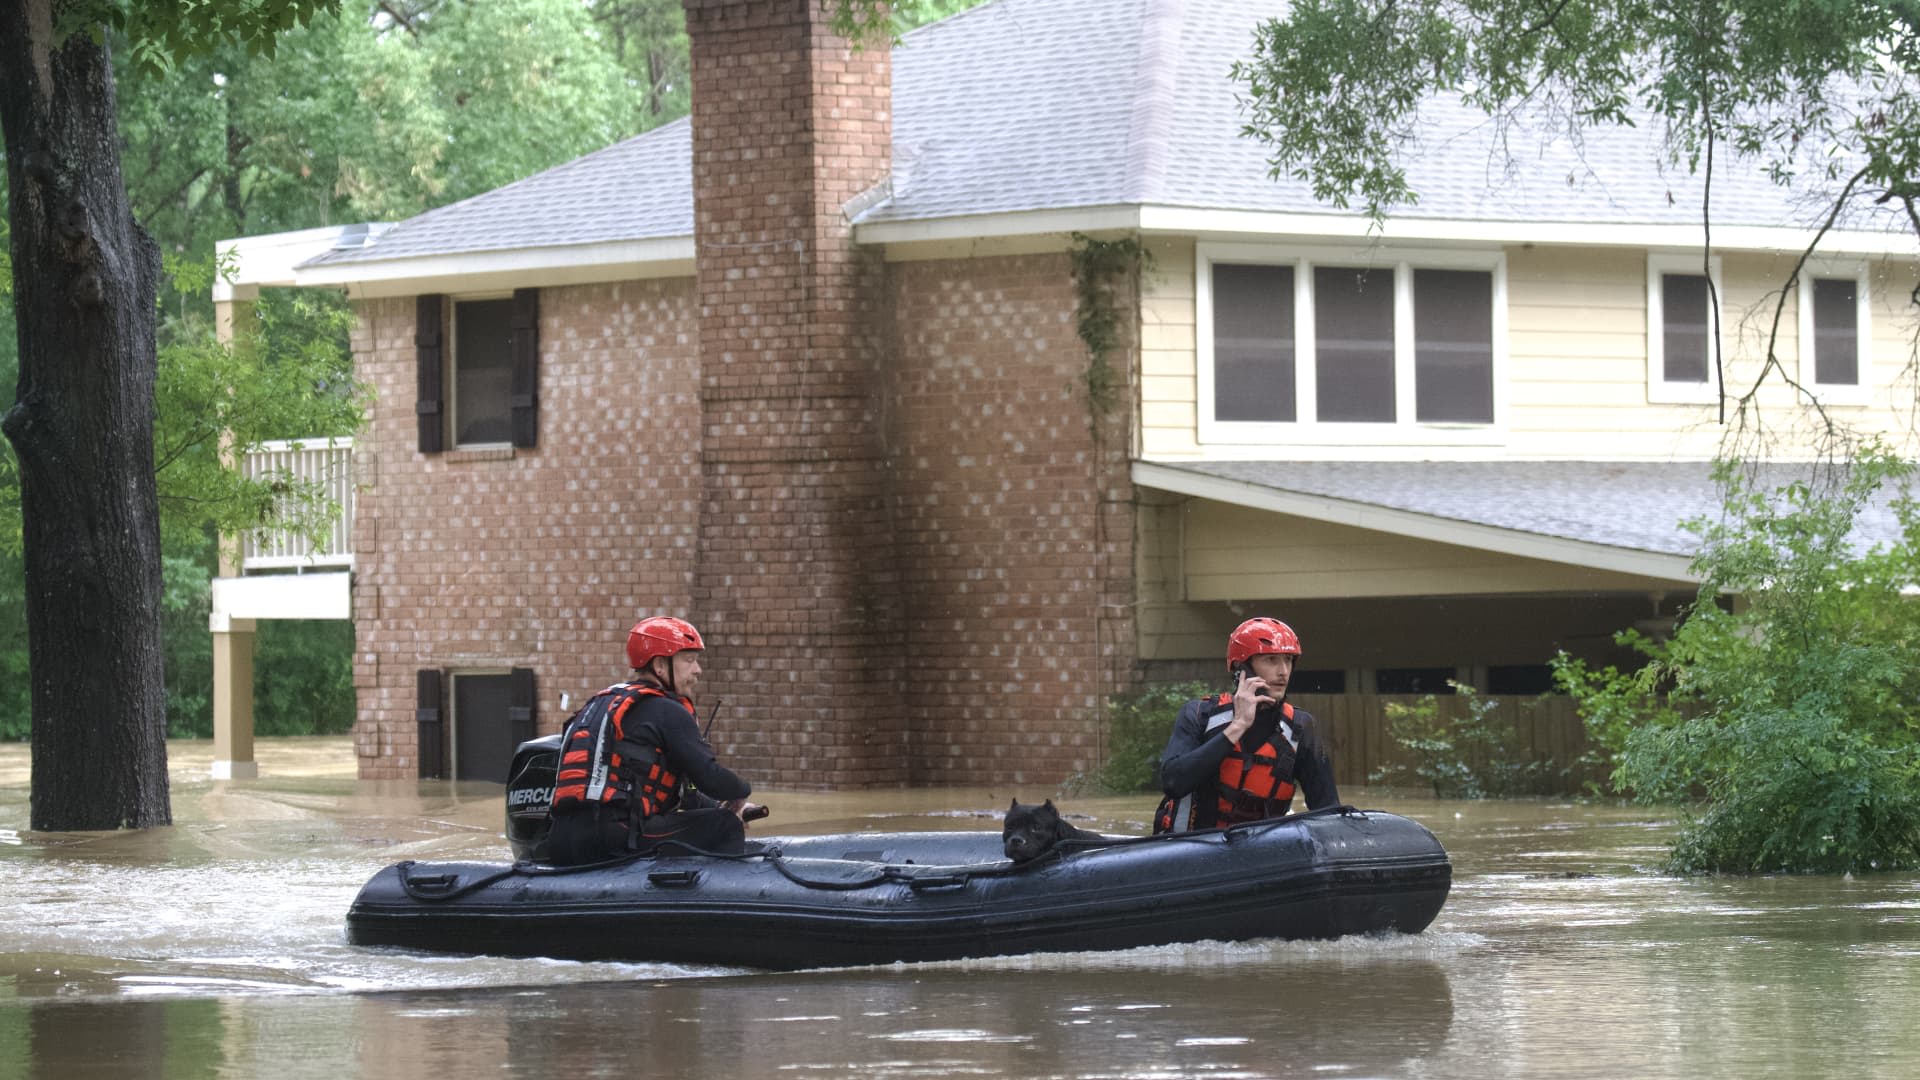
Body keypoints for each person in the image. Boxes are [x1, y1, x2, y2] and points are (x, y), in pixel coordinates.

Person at [545, 615, 761, 864]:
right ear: (660, 665)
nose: (698, 670)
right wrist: (741, 794)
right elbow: (711, 777)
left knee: (714, 816)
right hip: (614, 838)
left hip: (561, 840)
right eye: (689, 660)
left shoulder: (600, 704)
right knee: (724, 824)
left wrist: (722, 804)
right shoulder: (665, 709)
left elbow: (685, 794)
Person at [1153, 616, 1340, 834]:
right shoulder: (1197, 714)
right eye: (1271, 660)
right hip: (1191, 851)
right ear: (1243, 668)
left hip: (1255, 857)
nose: (1283, 671)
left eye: (1288, 660)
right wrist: (1238, 726)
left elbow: (1329, 812)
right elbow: (1173, 782)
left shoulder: (1301, 728)